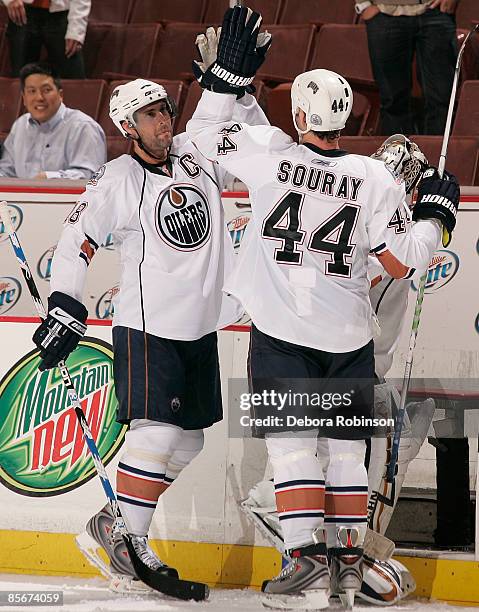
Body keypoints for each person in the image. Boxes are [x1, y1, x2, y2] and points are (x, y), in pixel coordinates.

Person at [186, 5, 459, 608]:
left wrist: (225, 80)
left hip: (282, 331)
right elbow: (402, 262)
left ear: (301, 115)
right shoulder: (374, 178)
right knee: (344, 451)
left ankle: (305, 555)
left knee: (291, 446)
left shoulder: (271, 158)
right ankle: (347, 562)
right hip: (347, 335)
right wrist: (438, 217)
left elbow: (201, 140)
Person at [31, 70, 270, 591]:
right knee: (155, 432)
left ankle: (110, 525)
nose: (163, 121)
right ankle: (135, 547)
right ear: (128, 127)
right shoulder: (116, 179)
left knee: (189, 444)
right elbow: (76, 240)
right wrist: (66, 302)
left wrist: (233, 86)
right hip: (147, 327)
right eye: (150, 115)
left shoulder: (195, 154)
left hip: (200, 328)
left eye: (164, 110)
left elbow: (232, 122)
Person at [241, 135, 448, 606]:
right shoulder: (382, 228)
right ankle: (323, 555)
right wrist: (436, 221)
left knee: (334, 465)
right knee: (325, 463)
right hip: (341, 364)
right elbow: (394, 263)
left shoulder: (360, 202)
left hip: (335, 364)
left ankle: (334, 560)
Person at [355, 0, 458, 134]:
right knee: (392, 100)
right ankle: (398, 152)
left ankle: (439, 153)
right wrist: (364, 5)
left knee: (441, 98)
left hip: (436, 12)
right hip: (384, 12)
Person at [0, 62, 106, 180]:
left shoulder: (83, 127)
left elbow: (91, 176)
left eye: (46, 90)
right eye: (32, 91)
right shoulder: (19, 125)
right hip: (20, 198)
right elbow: (6, 171)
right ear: (24, 98)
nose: (39, 97)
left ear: (60, 95)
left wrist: (49, 178)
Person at [3, 0, 89, 78]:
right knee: (20, 79)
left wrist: (76, 29)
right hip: (22, 10)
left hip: (62, 13)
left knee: (73, 78)